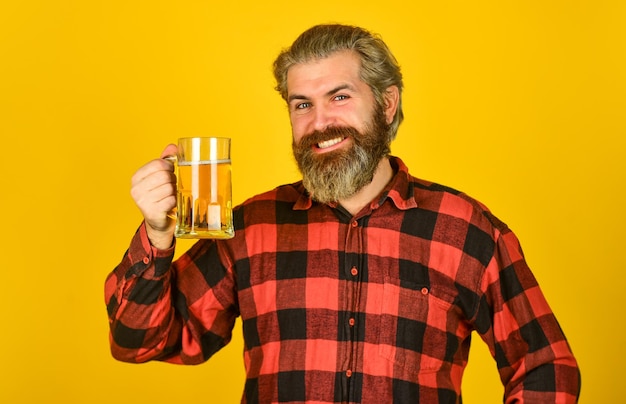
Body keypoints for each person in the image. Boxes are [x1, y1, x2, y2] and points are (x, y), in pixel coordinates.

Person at [105, 24, 581, 403]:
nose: (320, 123)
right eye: (302, 105)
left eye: (339, 96)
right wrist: (158, 233)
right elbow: (140, 342)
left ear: (387, 103)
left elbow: (545, 366)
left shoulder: (465, 229)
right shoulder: (252, 227)